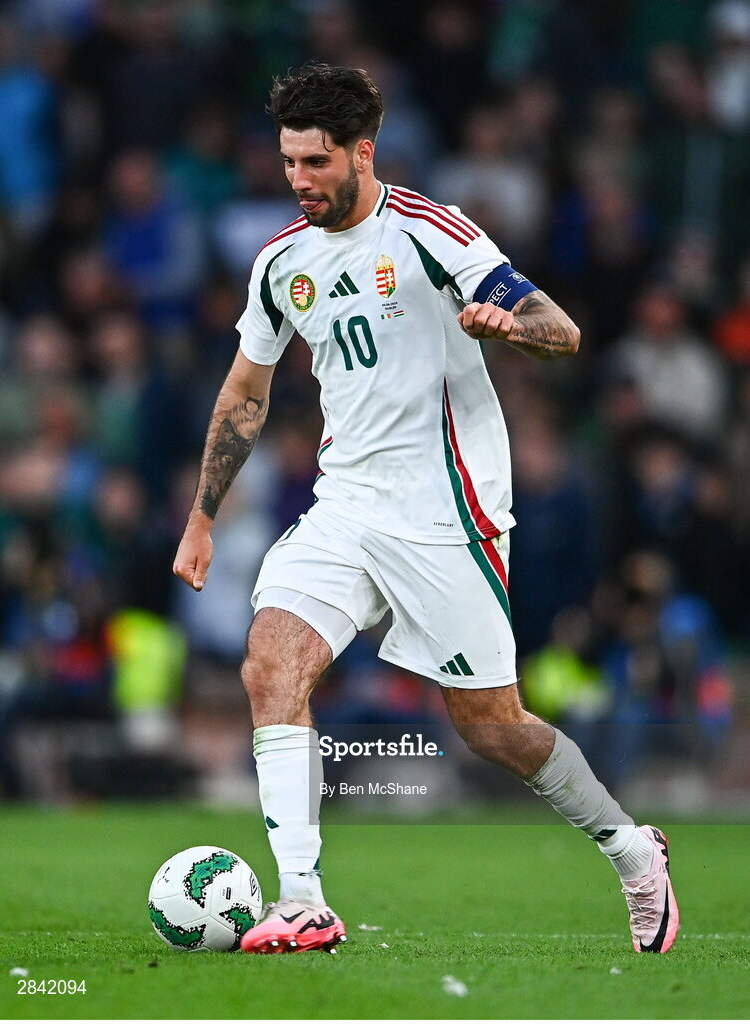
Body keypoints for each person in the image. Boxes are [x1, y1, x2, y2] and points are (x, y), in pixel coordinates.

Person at [173, 63, 680, 955]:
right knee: (270, 665)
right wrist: (203, 514)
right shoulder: (280, 262)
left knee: (491, 726)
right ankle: (301, 898)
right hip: (345, 507)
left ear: (362, 152)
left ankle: (631, 848)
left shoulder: (430, 232)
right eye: (289, 162)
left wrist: (507, 325)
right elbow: (245, 395)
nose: (298, 181)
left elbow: (561, 331)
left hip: (448, 513)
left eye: (317, 163)